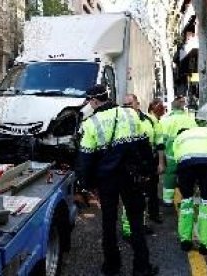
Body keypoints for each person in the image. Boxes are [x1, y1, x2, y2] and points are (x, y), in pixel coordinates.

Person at [76, 84, 158, 276]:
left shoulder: (90, 123)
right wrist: (148, 170)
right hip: (131, 177)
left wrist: (86, 185)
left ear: (95, 101)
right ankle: (142, 268)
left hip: (107, 180)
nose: (89, 104)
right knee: (136, 222)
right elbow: (144, 144)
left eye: (89, 101)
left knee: (109, 222)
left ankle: (112, 267)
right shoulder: (130, 114)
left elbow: (85, 158)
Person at [173, 126, 207, 255]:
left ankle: (185, 241)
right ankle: (206, 245)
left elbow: (177, 159)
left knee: (186, 201)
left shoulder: (179, 138)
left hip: (185, 165)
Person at [120, 95, 166, 239]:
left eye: (130, 104)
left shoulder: (149, 120)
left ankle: (145, 220)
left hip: (148, 161)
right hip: (130, 163)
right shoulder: (121, 121)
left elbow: (159, 142)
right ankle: (129, 229)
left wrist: (160, 162)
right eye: (125, 104)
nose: (128, 106)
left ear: (137, 104)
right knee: (131, 195)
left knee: (149, 192)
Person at [160, 96, 197, 206]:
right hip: (187, 154)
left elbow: (161, 140)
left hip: (171, 154)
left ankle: (168, 200)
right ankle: (186, 198)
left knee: (170, 176)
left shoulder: (166, 120)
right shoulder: (190, 120)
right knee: (186, 176)